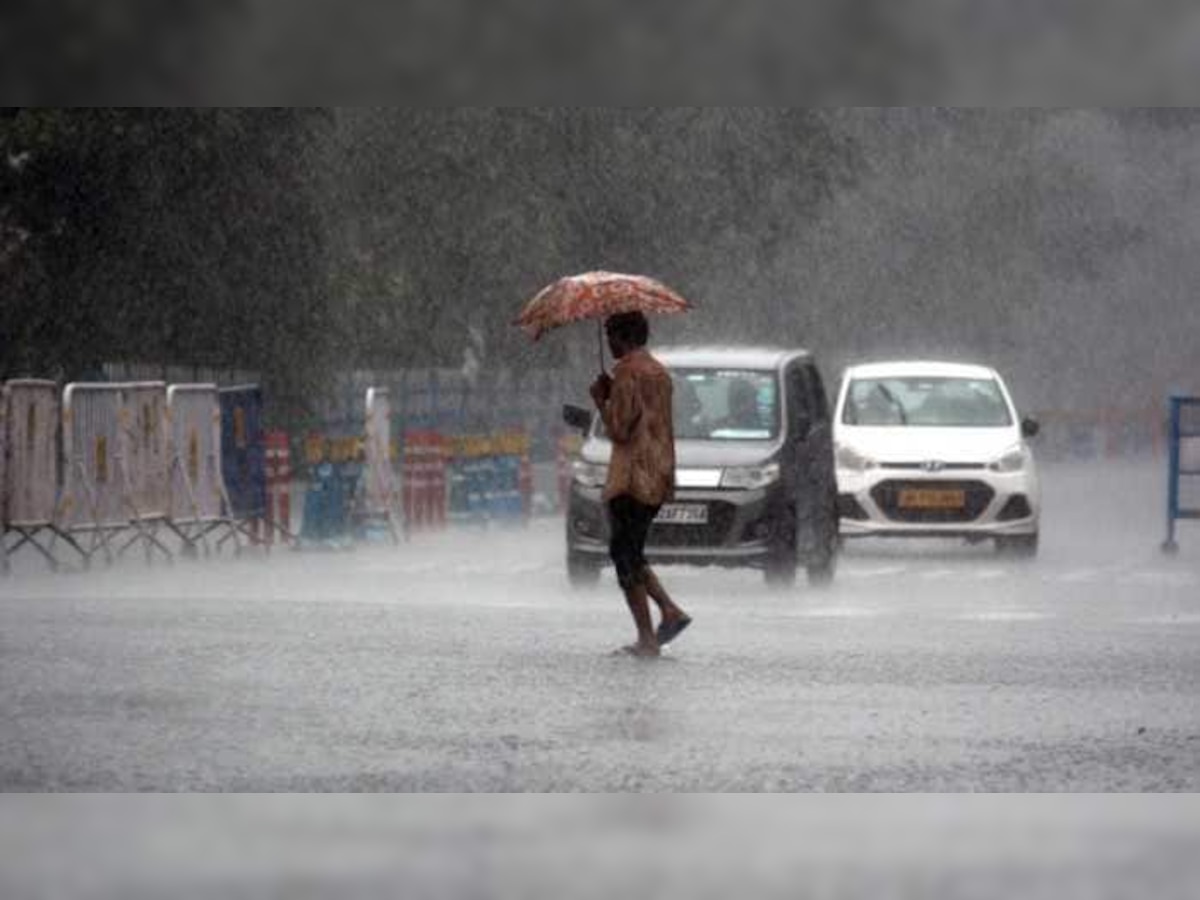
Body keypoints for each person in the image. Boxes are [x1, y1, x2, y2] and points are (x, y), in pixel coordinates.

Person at [589, 311, 692, 658]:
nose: (608, 343)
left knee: (624, 557)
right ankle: (667, 613)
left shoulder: (628, 373)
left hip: (631, 478)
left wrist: (601, 399)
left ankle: (649, 636)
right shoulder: (659, 373)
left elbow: (619, 429)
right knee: (629, 551)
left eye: (611, 336)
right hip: (659, 473)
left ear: (624, 337)